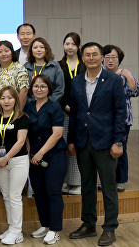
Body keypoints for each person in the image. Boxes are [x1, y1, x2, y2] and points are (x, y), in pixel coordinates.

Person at [68, 43, 126, 247]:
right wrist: (72, 140)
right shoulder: (75, 82)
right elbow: (74, 113)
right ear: (82, 58)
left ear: (102, 57)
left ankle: (110, 227)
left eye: (95, 54)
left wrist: (118, 141)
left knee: (109, 187)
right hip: (83, 141)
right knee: (87, 186)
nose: (91, 57)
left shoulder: (114, 80)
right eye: (87, 55)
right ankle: (89, 224)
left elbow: (121, 112)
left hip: (107, 142)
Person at [23, 75, 67, 245]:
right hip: (33, 156)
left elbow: (57, 134)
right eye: (36, 86)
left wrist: (40, 153)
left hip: (53, 154)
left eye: (43, 86)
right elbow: (25, 133)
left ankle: (54, 229)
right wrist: (29, 153)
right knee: (38, 191)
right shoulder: (28, 106)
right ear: (32, 89)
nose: (39, 89)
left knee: (53, 191)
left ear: (49, 89)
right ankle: (45, 224)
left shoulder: (55, 107)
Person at [102, 44, 139, 192]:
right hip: (104, 119)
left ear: (119, 59)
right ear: (102, 59)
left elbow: (135, 91)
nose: (110, 61)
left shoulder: (124, 74)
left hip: (122, 119)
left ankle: (121, 180)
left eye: (114, 57)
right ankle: (107, 180)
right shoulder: (101, 75)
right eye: (107, 58)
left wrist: (129, 76)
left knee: (121, 149)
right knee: (105, 151)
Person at [0, 86, 29, 245]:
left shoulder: (21, 117)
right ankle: (11, 227)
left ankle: (17, 231)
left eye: (10, 98)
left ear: (16, 99)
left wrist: (6, 157)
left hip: (17, 162)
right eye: (2, 98)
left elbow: (21, 142)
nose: (6, 101)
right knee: (6, 196)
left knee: (14, 197)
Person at [58, 32, 85, 195]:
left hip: (81, 113)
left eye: (73, 44)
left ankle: (79, 183)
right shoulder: (58, 65)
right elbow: (56, 89)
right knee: (65, 147)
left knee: (79, 146)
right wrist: (65, 105)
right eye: (67, 43)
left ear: (79, 46)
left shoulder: (85, 65)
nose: (69, 47)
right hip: (63, 111)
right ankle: (67, 182)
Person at [0, 41, 29, 108]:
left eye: (6, 51)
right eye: (0, 52)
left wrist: (18, 111)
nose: (3, 54)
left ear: (12, 53)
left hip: (13, 110)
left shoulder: (19, 68)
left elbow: (24, 90)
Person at [24, 37, 65, 103]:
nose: (38, 50)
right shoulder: (26, 67)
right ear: (31, 51)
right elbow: (23, 90)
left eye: (42, 47)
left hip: (50, 106)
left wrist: (46, 103)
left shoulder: (55, 66)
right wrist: (32, 104)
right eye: (35, 48)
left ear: (46, 50)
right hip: (30, 107)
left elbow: (59, 89)